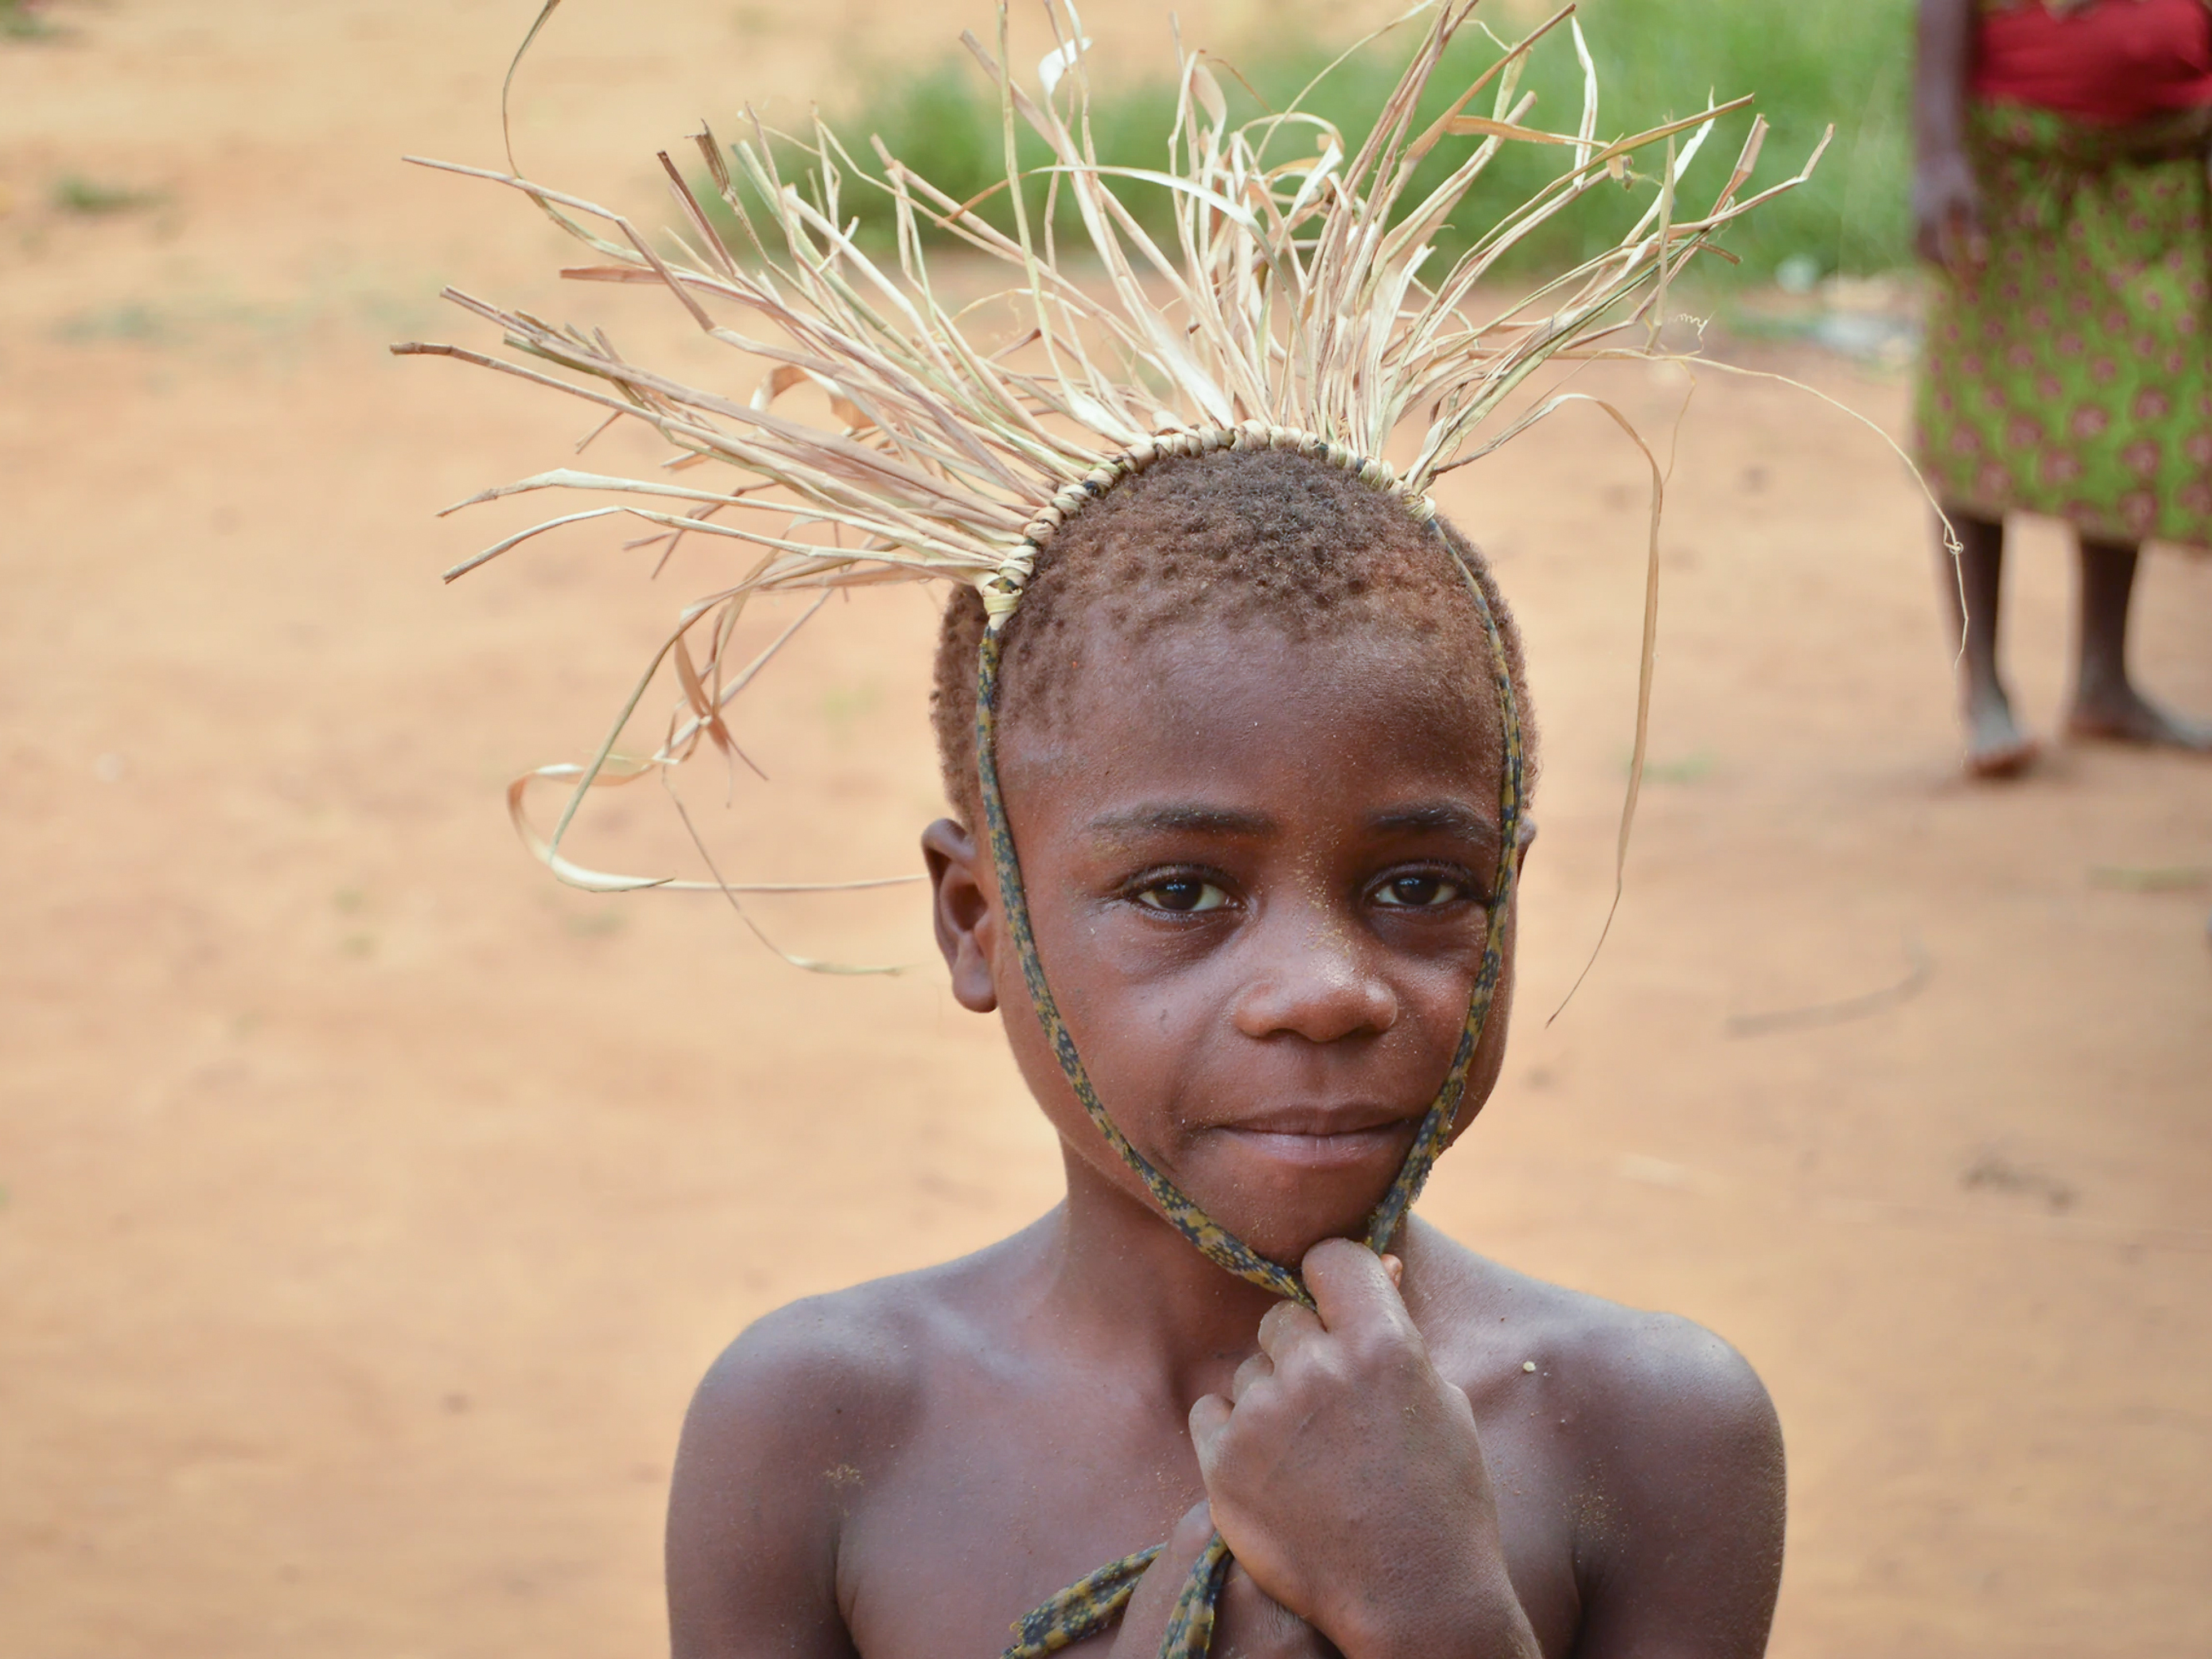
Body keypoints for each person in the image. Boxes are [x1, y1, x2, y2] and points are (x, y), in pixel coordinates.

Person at [407, 7, 1800, 1653]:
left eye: (1421, 882)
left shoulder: (1648, 1434)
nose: (1325, 987)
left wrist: (1429, 1597)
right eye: (1182, 888)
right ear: (976, 919)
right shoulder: (822, 1432)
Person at [1914, 0, 2212, 777]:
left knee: (2128, 419)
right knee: (1977, 419)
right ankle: (1984, 690)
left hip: (2159, 178)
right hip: (2012, 177)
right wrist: (1938, 152)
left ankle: (2102, 679)